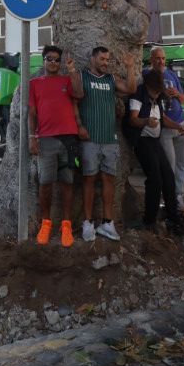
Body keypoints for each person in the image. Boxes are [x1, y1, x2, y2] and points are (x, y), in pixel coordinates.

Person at [70, 45, 129, 242]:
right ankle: (87, 223)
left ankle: (107, 223)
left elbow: (130, 89)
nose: (105, 63)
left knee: (108, 179)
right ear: (93, 59)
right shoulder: (82, 75)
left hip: (109, 139)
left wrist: (130, 67)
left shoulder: (111, 79)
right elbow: (75, 100)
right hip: (89, 139)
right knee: (88, 179)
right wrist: (79, 125)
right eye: (102, 59)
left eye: (107, 60)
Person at [28, 46, 84, 246]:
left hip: (68, 139)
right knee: (45, 183)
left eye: (56, 60)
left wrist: (71, 70)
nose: (53, 62)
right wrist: (32, 137)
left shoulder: (67, 80)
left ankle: (66, 226)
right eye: (49, 59)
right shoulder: (34, 84)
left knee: (67, 182)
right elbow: (32, 113)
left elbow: (79, 93)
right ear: (43, 61)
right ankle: (46, 223)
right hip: (46, 140)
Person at [125, 66, 184, 235]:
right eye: (155, 92)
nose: (157, 95)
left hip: (155, 141)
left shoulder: (157, 97)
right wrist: (145, 122)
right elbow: (133, 120)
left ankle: (172, 215)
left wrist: (179, 127)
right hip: (142, 141)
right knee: (155, 178)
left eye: (159, 93)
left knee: (168, 175)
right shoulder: (139, 94)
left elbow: (163, 118)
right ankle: (149, 219)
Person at [151, 46, 184, 207]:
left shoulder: (172, 75)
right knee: (169, 165)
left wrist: (177, 94)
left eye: (163, 58)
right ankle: (168, 197)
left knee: (181, 164)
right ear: (152, 60)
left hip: (182, 124)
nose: (161, 61)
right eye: (158, 58)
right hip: (165, 128)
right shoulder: (148, 75)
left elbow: (183, 100)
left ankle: (178, 195)